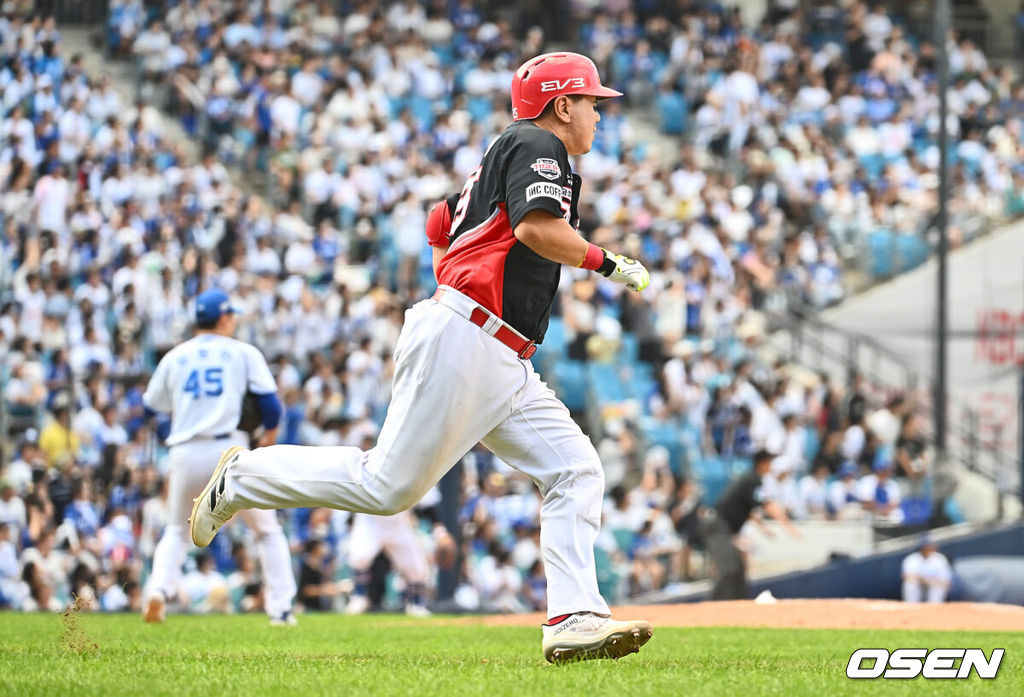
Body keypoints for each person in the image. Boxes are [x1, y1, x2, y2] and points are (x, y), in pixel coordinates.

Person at [190, 52, 653, 664]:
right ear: (562, 104)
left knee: (576, 471)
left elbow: (440, 222)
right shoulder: (538, 140)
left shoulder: (508, 150)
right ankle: (242, 478)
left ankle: (572, 616)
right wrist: (608, 262)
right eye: (594, 101)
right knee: (385, 488)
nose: (600, 114)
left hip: (496, 349)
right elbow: (537, 230)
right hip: (472, 337)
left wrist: (458, 284)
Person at [142, 288, 296, 625]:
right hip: (229, 452)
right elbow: (271, 406)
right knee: (267, 531)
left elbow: (150, 407)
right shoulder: (242, 352)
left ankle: (157, 591)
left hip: (184, 450)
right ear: (224, 317)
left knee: (176, 531)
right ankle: (281, 609)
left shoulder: (175, 356)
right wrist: (268, 435)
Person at [699, 450, 801, 600]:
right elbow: (769, 505)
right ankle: (711, 606)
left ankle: (740, 605)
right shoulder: (751, 480)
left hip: (722, 527)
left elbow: (748, 510)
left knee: (739, 568)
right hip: (716, 526)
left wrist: (764, 529)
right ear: (763, 463)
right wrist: (788, 526)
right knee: (729, 569)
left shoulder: (751, 481)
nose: (771, 467)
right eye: (769, 463)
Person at [345, 510, 431, 617]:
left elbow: (426, 502)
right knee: (359, 556)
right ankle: (358, 596)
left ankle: (416, 603)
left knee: (416, 567)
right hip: (370, 519)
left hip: (398, 522)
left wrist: (440, 531)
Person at [901, 535, 952, 603]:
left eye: (929, 546)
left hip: (933, 585)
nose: (927, 548)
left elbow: (946, 580)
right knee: (910, 585)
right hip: (919, 585)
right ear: (921, 547)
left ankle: (934, 608)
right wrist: (926, 580)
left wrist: (931, 581)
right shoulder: (912, 559)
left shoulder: (940, 559)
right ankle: (911, 607)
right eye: (925, 546)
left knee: (938, 587)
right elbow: (907, 577)